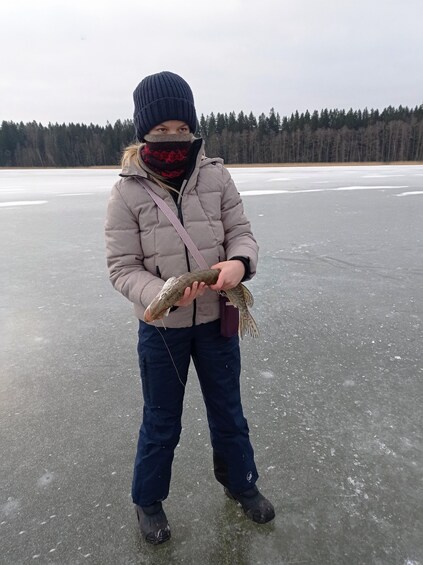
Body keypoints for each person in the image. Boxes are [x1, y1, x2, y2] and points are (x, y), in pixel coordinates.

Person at [105, 71, 274, 545]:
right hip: (162, 329)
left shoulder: (216, 175)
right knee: (161, 420)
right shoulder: (127, 191)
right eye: (162, 129)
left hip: (217, 319)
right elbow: (121, 268)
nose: (173, 137)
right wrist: (159, 292)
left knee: (229, 411)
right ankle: (149, 500)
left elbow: (242, 232)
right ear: (144, 132)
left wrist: (240, 263)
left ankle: (241, 483)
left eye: (182, 128)